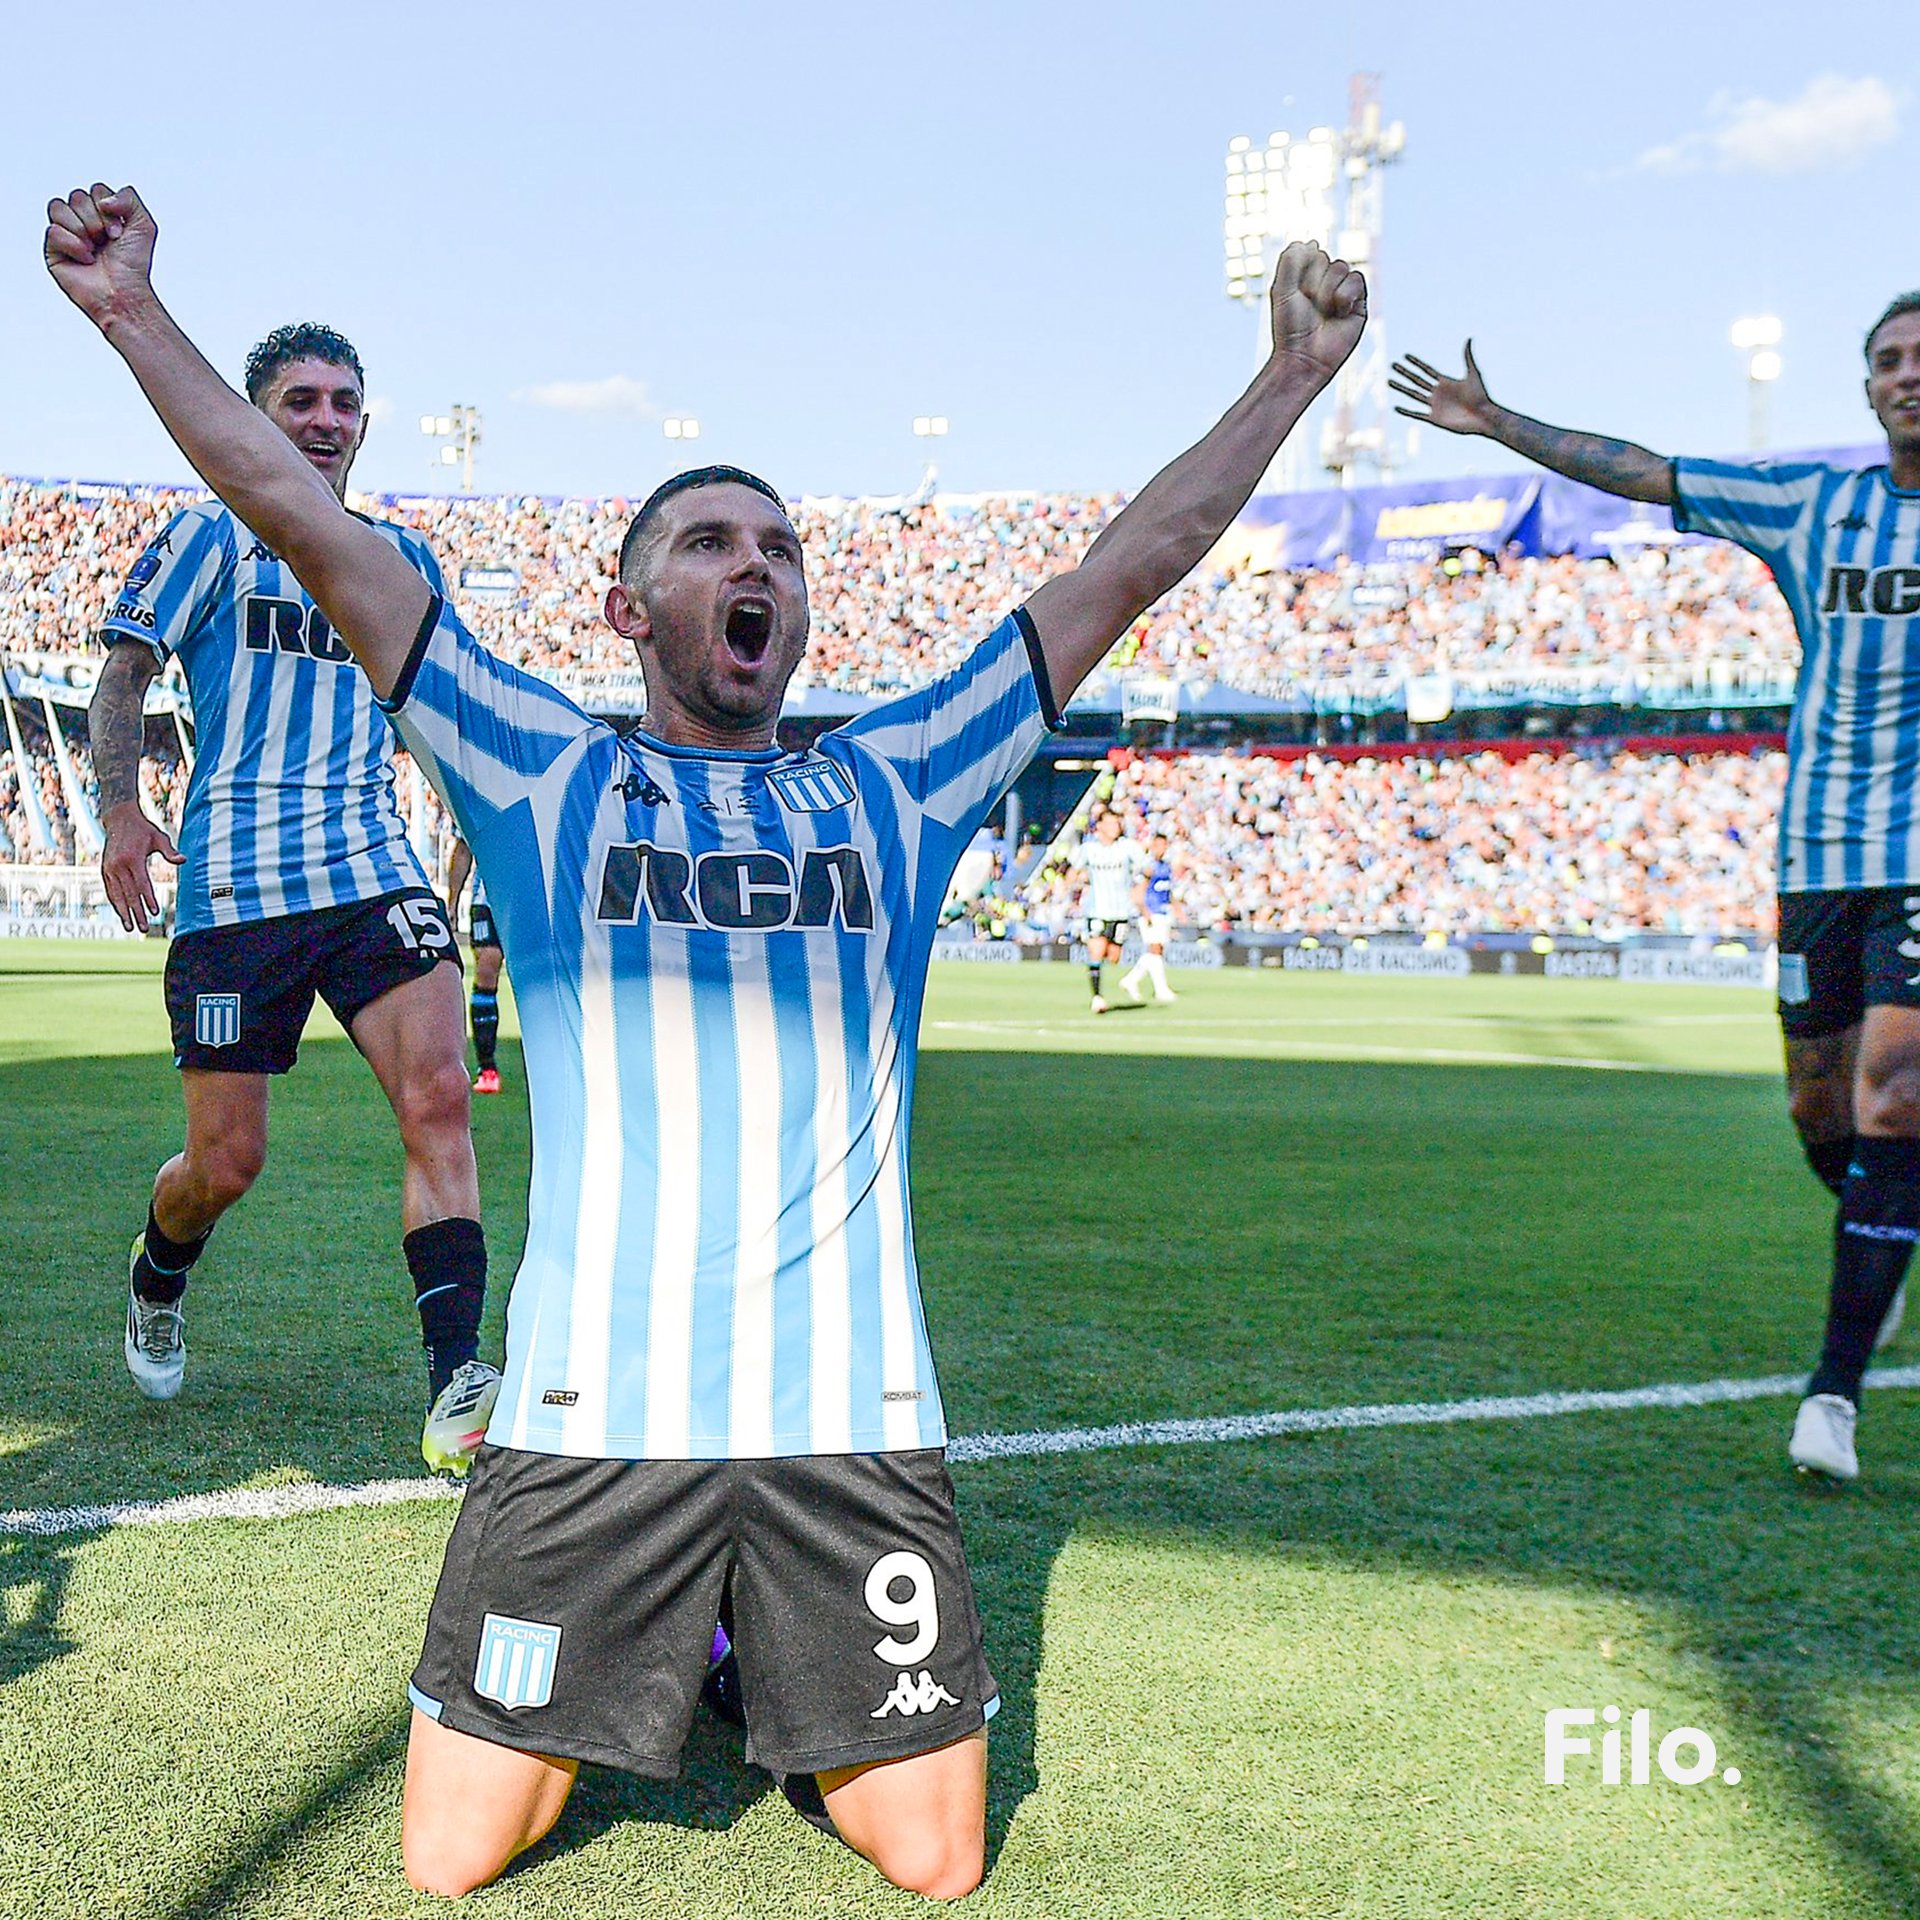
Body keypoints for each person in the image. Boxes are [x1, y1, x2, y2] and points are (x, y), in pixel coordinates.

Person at [46, 179, 1364, 1898]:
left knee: (936, 1858)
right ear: (627, 609)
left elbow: (1130, 562)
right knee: (451, 1854)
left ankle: (750, 1642)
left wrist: (1294, 373)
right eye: (710, 544)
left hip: (850, 1415)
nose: (757, 568)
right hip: (598, 1417)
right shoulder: (537, 766)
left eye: (780, 549)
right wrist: (134, 310)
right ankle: (701, 1628)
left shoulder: (900, 773)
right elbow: (300, 517)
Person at [1390, 293, 1920, 1484]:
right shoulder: (1815, 505)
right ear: (1867, 389)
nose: (1908, 375)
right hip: (1820, 851)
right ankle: (1882, 1230)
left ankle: (1831, 1397)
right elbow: (1643, 470)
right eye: (1888, 359)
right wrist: (1497, 421)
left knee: (1894, 1096)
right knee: (1820, 1110)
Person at [85, 313, 499, 1475]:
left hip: (372, 871)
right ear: (256, 420)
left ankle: (456, 1384)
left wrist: (493, 844)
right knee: (225, 1167)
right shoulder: (210, 537)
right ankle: (159, 1273)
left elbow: (446, 717)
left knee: (438, 1101)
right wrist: (120, 808)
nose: (324, 421)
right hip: (236, 892)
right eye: (299, 403)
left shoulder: (403, 562)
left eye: (341, 403)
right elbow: (125, 669)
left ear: (364, 423)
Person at [1070, 806, 1146, 1013]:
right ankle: (1097, 997)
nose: (1116, 827)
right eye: (1111, 823)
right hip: (1097, 910)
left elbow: (1147, 867)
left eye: (1117, 823)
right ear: (1100, 826)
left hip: (1121, 912)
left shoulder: (1128, 847)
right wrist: (1071, 885)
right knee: (1096, 951)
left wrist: (1141, 886)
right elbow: (1074, 871)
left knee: (1113, 957)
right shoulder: (1089, 849)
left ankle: (1103, 972)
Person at [446, 837, 505, 1094]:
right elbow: (462, 849)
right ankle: (487, 1067)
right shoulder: (481, 796)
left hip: (536, 899)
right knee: (487, 966)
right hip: (488, 898)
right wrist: (452, 902)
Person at [1120, 829, 1178, 1004]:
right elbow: (1138, 891)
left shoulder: (1166, 866)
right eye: (1158, 844)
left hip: (1162, 911)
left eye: (1164, 845)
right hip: (1150, 912)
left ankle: (1131, 980)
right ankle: (1161, 990)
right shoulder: (1149, 866)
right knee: (1155, 949)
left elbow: (1167, 891)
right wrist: (1145, 912)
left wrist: (1177, 908)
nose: (1162, 848)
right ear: (1153, 846)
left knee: (1157, 949)